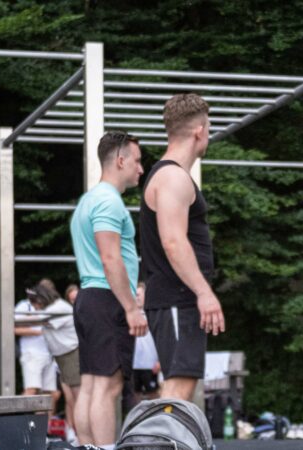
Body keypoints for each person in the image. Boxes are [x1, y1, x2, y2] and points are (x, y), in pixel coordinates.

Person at [140, 93, 225, 401]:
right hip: (177, 297)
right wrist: (204, 293)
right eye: (210, 128)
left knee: (183, 383)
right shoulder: (173, 177)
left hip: (178, 298)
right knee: (178, 384)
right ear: (199, 130)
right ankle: (159, 445)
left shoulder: (171, 175)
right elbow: (173, 242)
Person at [69, 131, 148, 449]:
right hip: (107, 300)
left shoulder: (88, 200)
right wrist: (131, 307)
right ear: (121, 160)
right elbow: (110, 256)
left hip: (91, 298)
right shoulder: (107, 201)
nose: (141, 169)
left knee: (90, 386)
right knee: (107, 388)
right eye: (138, 161)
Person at [25, 284, 81, 441]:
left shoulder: (58, 308)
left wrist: (7, 320)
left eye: (35, 303)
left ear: (41, 300)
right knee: (71, 398)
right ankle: (77, 433)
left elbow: (36, 320)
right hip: (63, 357)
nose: (35, 307)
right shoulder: (53, 308)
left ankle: (81, 435)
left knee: (78, 397)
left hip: (71, 355)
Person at [122, 282, 161, 414]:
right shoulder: (127, 315)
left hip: (149, 363)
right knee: (134, 396)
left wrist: (160, 360)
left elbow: (160, 338)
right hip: (132, 363)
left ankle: (157, 419)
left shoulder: (153, 314)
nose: (136, 297)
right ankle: (136, 422)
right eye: (134, 295)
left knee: (154, 394)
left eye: (138, 294)